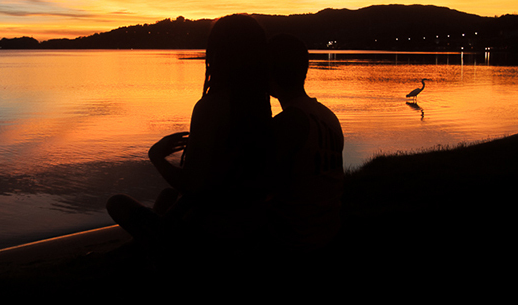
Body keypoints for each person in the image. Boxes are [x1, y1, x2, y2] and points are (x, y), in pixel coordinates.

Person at [106, 14, 274, 251]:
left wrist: (156, 157)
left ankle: (155, 253)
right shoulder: (260, 104)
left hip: (209, 236)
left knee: (117, 203)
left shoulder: (211, 106)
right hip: (251, 225)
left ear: (218, 53)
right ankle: (139, 250)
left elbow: (191, 186)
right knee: (167, 196)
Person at [266, 33, 344, 251]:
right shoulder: (327, 116)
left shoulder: (288, 123)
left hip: (294, 241)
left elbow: (255, 185)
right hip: (328, 231)